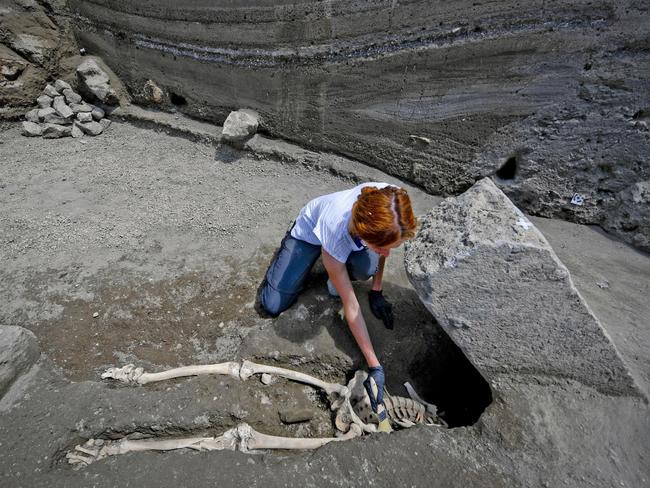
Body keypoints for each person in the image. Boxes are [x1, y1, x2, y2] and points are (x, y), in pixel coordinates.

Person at [258, 182, 418, 411]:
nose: (386, 253)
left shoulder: (393, 201)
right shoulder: (335, 229)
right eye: (380, 246)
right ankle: (299, 256)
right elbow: (351, 306)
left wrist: (377, 289)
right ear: (364, 232)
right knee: (272, 304)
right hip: (309, 234)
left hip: (353, 238)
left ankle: (341, 266)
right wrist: (375, 365)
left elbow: (386, 245)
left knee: (366, 269)